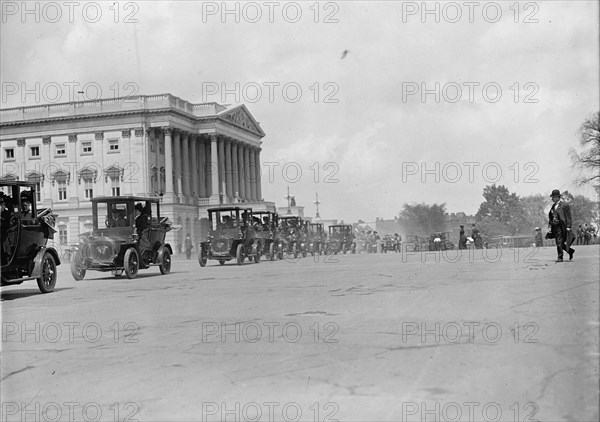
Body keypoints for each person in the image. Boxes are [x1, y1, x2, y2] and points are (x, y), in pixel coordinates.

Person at [547, 189, 574, 262]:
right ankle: (570, 251)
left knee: (559, 242)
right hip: (555, 227)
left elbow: (568, 217)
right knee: (559, 242)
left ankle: (560, 258)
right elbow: (550, 217)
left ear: (557, 197)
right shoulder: (553, 206)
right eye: (552, 197)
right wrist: (549, 227)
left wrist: (569, 227)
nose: (552, 198)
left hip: (563, 226)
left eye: (553, 197)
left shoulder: (564, 205)